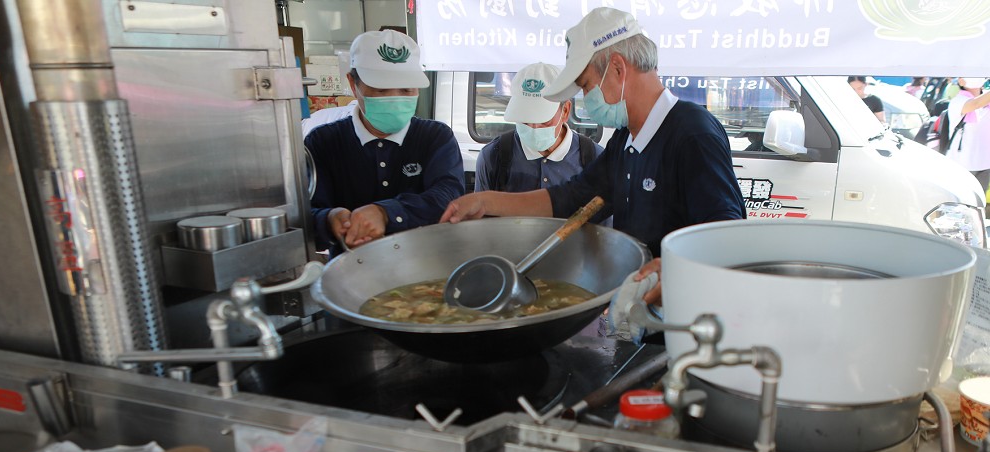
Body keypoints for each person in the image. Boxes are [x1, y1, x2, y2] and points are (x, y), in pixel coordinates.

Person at [440, 7, 745, 308]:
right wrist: (486, 202)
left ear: (617, 68)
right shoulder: (625, 139)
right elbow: (571, 198)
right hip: (640, 306)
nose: (586, 99)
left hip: (686, 314)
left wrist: (675, 270)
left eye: (586, 85)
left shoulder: (692, 133)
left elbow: (727, 234)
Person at [304, 30, 464, 254]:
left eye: (406, 89)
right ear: (353, 84)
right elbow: (305, 215)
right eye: (381, 90)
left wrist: (386, 213)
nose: (395, 98)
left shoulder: (436, 137)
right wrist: (329, 219)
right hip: (351, 268)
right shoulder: (323, 142)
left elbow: (448, 197)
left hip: (425, 266)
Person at [475, 62, 602, 194]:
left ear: (565, 111)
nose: (534, 127)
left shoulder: (595, 159)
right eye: (525, 119)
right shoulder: (492, 157)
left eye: (544, 120)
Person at [946, 77, 990, 196]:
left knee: (979, 202)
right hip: (962, 164)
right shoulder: (958, 101)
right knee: (961, 201)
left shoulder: (986, 99)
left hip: (984, 164)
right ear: (960, 81)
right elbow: (976, 103)